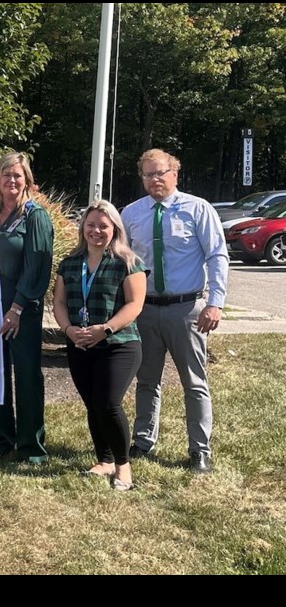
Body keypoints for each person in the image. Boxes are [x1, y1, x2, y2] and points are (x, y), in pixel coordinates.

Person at [121, 149, 228, 474]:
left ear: (175, 174)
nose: (154, 179)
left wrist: (215, 302)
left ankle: (199, 450)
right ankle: (143, 441)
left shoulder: (198, 209)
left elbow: (217, 256)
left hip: (187, 310)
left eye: (160, 173)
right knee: (146, 380)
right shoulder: (131, 213)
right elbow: (123, 258)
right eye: (148, 174)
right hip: (146, 310)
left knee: (194, 382)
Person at [53, 200, 147, 491]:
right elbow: (58, 302)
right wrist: (69, 330)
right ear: (82, 228)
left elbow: (135, 305)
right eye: (91, 225)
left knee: (108, 403)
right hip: (80, 345)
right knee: (92, 404)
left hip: (119, 344)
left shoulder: (128, 262)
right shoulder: (69, 263)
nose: (96, 231)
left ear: (114, 229)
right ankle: (103, 460)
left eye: (103, 226)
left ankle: (123, 467)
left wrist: (104, 330)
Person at [0, 152, 53, 464]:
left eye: (18, 176)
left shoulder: (35, 216)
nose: (12, 180)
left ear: (27, 181)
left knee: (26, 376)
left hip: (23, 310)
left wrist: (17, 308)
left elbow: (37, 265)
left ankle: (30, 445)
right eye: (6, 175)